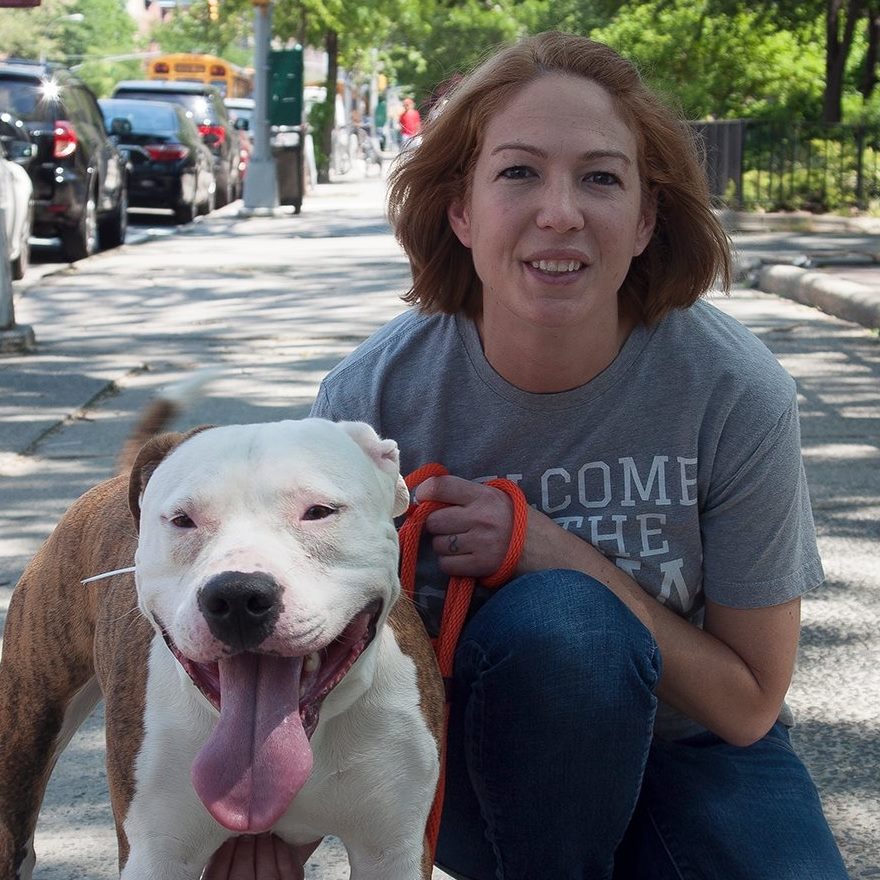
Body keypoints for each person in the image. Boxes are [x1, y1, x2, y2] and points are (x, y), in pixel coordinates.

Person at [205, 31, 849, 880]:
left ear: (647, 218)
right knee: (564, 635)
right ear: (461, 210)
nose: (560, 212)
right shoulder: (371, 400)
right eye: (518, 172)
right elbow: (311, 638)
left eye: (601, 177)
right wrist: (271, 818)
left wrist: (555, 553)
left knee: (574, 609)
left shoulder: (733, 391)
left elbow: (748, 704)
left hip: (690, 756)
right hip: (480, 761)